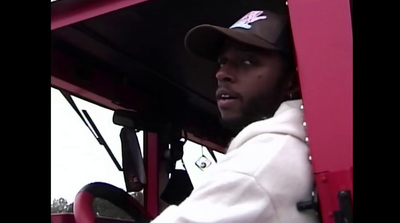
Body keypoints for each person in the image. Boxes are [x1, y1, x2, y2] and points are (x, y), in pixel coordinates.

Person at [151, 9, 318, 223]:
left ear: (292, 81)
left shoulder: (262, 162)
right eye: (222, 61)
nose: (221, 74)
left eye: (248, 62)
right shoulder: (301, 144)